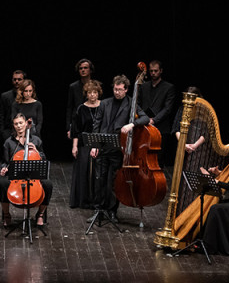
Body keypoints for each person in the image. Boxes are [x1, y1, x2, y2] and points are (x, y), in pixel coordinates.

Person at [90, 75, 150, 223]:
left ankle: (112, 212)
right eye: (115, 89)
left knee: (113, 182)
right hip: (103, 147)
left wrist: (132, 124)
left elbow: (146, 118)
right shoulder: (104, 103)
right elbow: (96, 125)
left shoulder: (131, 103)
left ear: (126, 90)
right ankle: (98, 210)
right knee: (99, 180)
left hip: (119, 150)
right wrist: (94, 145)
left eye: (120, 90)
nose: (117, 92)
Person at [0, 114, 53, 227]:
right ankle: (7, 214)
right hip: (16, 176)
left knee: (48, 184)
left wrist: (36, 151)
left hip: (33, 175)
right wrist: (3, 168)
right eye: (16, 124)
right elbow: (5, 161)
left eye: (21, 123)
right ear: (13, 126)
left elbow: (43, 158)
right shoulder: (9, 142)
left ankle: (40, 214)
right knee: (2, 183)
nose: (19, 126)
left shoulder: (36, 140)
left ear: (25, 124)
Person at [69, 79, 103, 209]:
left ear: (98, 93)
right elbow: (76, 130)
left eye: (95, 92)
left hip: (100, 143)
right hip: (84, 142)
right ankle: (83, 200)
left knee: (97, 172)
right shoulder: (81, 108)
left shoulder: (103, 106)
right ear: (86, 94)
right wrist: (74, 146)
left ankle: (97, 200)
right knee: (83, 171)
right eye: (90, 93)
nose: (92, 95)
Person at [138, 60, 177, 167]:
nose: (153, 73)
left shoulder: (169, 87)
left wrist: (153, 120)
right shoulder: (143, 86)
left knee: (157, 159)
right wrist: (144, 118)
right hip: (144, 126)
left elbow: (167, 108)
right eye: (151, 71)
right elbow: (138, 104)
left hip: (161, 128)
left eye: (156, 71)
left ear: (161, 71)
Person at [66, 59, 93, 139]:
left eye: (85, 68)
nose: (83, 70)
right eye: (81, 68)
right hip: (77, 122)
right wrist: (69, 127)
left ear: (90, 70)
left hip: (92, 121)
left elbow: (102, 105)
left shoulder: (96, 85)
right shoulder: (73, 87)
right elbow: (69, 107)